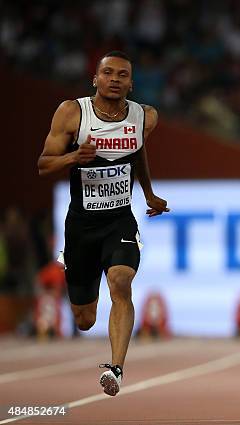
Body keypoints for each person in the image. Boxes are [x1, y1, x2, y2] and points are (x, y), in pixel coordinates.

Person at [38, 51, 170, 396]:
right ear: (95, 79)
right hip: (81, 227)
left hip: (119, 220)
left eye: (122, 74)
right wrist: (73, 156)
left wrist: (149, 195)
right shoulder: (72, 112)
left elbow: (138, 151)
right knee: (84, 320)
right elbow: (43, 165)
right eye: (107, 73)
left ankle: (116, 369)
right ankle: (79, 275)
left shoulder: (146, 117)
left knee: (121, 281)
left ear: (131, 82)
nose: (114, 79)